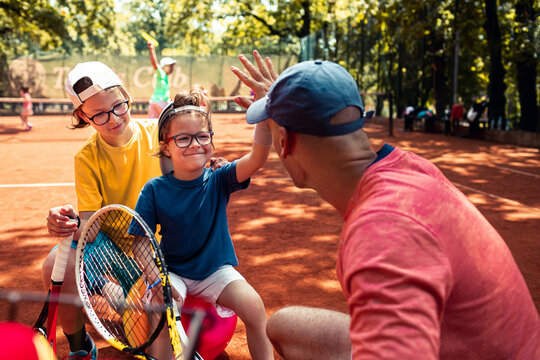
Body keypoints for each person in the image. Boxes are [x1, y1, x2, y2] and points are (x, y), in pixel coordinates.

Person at [232, 54, 540, 359]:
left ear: (284, 143)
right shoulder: (407, 168)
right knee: (286, 325)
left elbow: (390, 236)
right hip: (453, 342)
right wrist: (287, 100)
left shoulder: (383, 231)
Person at [44, 61, 227, 359]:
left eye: (119, 106)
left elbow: (193, 172)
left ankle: (113, 292)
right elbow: (90, 228)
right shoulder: (87, 158)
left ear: (127, 96)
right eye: (100, 114)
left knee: (147, 328)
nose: (114, 118)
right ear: (82, 115)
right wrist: (63, 224)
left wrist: (213, 166)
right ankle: (80, 345)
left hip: (169, 255)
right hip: (117, 252)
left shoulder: (160, 136)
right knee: (55, 263)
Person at [131, 87, 274, 360]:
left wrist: (263, 120)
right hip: (172, 271)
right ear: (166, 146)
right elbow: (140, 243)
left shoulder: (221, 178)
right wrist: (157, 279)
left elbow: (257, 157)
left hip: (215, 271)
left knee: (254, 307)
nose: (195, 144)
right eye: (183, 138)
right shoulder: (154, 190)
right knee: (161, 311)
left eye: (202, 136)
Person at [147, 41, 176, 118]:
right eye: (170, 65)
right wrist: (152, 49)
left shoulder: (164, 76)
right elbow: (155, 64)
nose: (172, 68)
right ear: (164, 66)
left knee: (153, 125)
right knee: (169, 122)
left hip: (153, 102)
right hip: (161, 102)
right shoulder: (161, 73)